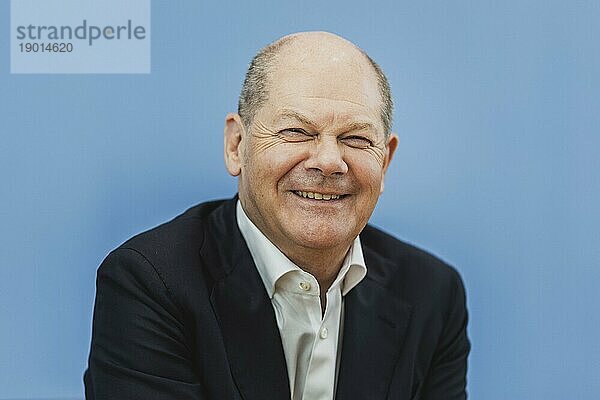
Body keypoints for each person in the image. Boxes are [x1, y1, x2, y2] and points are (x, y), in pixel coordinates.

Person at [84, 31, 470, 400]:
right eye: (297, 132)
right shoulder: (151, 284)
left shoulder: (432, 295)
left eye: (355, 139)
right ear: (237, 145)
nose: (329, 161)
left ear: (384, 162)